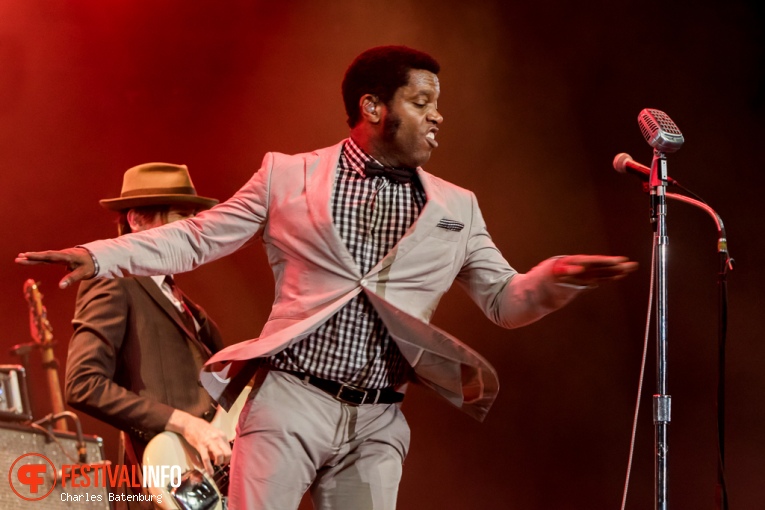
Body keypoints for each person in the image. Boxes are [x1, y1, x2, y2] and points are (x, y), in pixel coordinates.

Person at [18, 46, 637, 510]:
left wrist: (558, 278)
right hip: (290, 401)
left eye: (438, 104)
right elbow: (200, 237)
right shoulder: (287, 176)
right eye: (422, 102)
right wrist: (102, 255)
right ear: (372, 107)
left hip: (379, 415)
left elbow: (505, 302)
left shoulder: (458, 207)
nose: (437, 117)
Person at [62, 162, 232, 489]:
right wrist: (184, 423)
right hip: (168, 476)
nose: (195, 232)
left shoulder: (187, 306)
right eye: (182, 218)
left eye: (196, 221)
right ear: (137, 219)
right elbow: (83, 383)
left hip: (214, 478)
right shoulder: (112, 280)